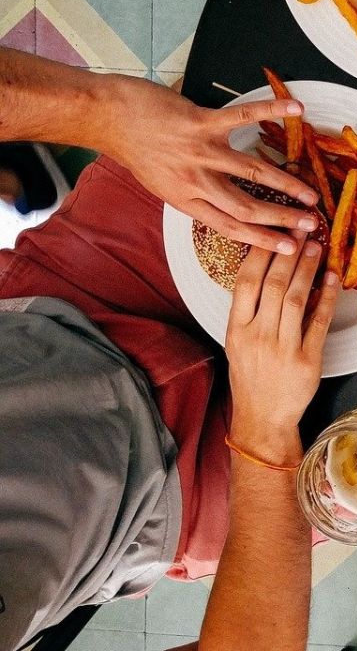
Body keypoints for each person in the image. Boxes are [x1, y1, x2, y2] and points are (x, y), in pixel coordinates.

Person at [0, 49, 329, 649]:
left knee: (267, 82)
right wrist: (265, 432)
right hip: (174, 501)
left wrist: (102, 113)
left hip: (56, 303)